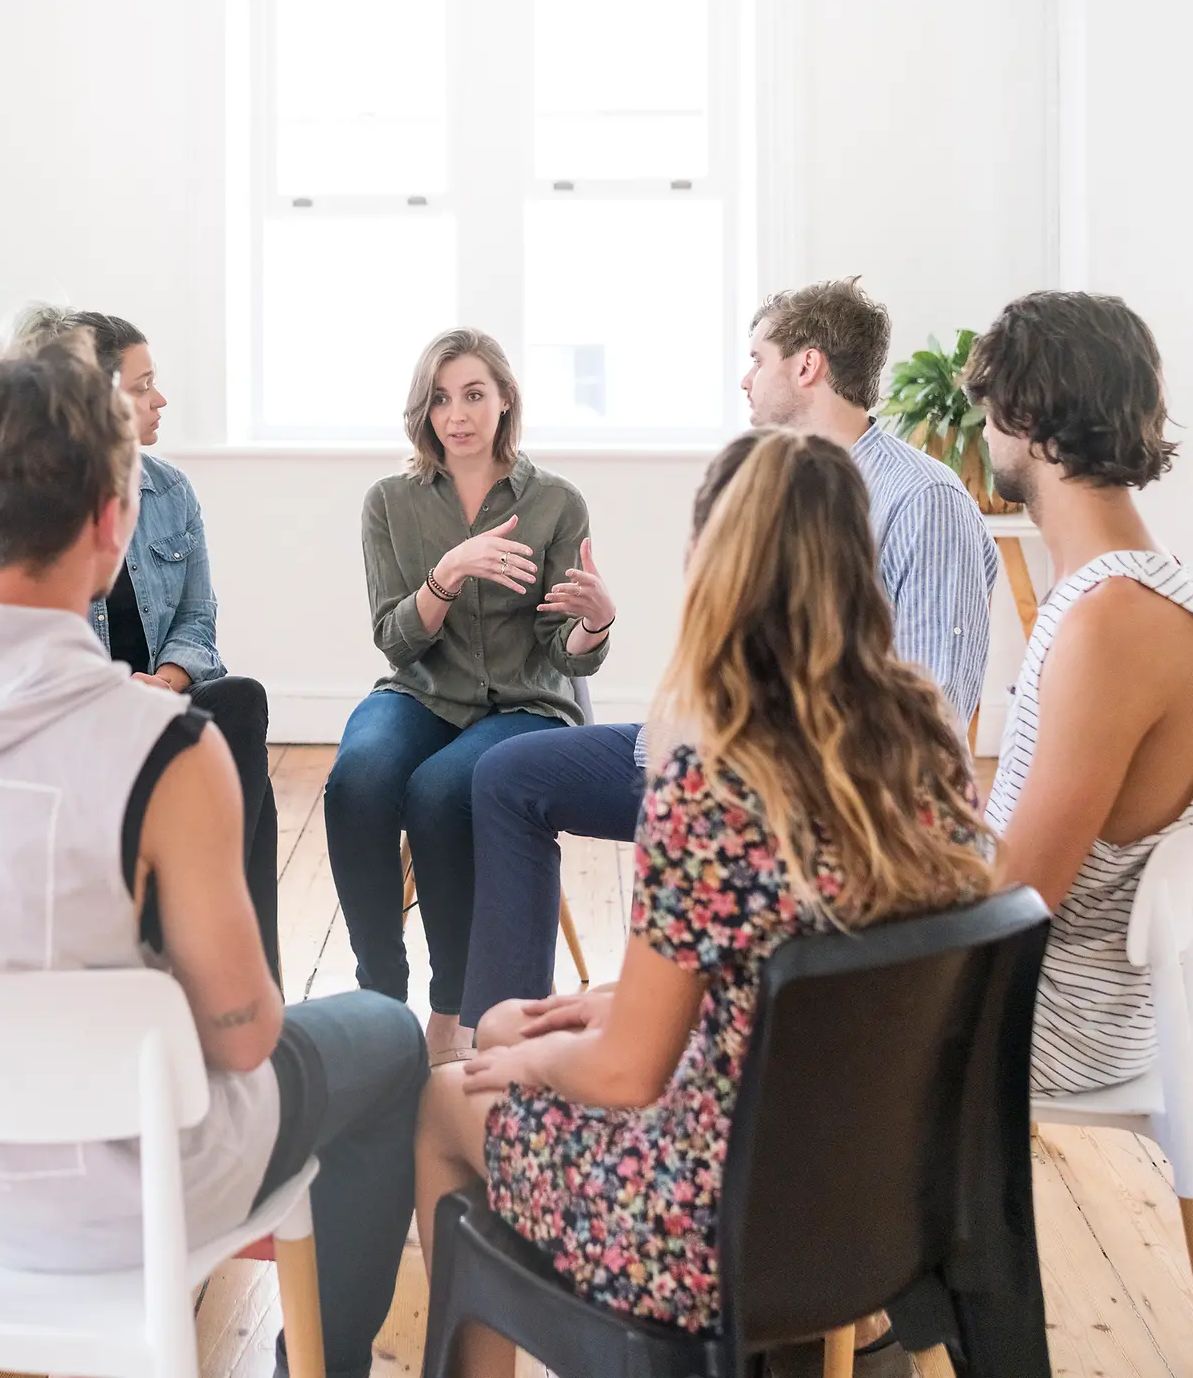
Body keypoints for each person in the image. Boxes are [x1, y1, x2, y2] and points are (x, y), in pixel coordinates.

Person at [0, 336, 427, 1378]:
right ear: (113, 521)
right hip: (122, 1202)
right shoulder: (163, 749)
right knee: (393, 1039)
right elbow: (248, 1036)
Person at [415, 429, 991, 1377]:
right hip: (882, 1199)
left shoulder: (714, 782)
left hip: (708, 1230)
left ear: (712, 565)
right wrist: (580, 1015)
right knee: (520, 1022)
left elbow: (625, 1077)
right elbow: (800, 961)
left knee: (450, 1095)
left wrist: (547, 1050)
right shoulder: (928, 754)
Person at [460, 278, 998, 1029]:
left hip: (789, 793)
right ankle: (503, 1032)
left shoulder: (923, 501)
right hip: (708, 755)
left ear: (807, 367)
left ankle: (581, 1040)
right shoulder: (768, 482)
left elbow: (931, 715)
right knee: (507, 776)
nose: (745, 376)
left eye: (758, 357)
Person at [326, 328, 614, 1061]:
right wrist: (446, 574)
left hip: (523, 702)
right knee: (356, 779)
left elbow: (563, 654)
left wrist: (594, 623)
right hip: (421, 689)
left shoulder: (554, 503)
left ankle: (448, 1012)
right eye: (442, 398)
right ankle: (377, 996)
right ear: (423, 411)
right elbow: (396, 640)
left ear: (505, 399)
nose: (457, 414)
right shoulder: (390, 503)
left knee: (440, 791)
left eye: (475, 394)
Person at [0, 303, 282, 984]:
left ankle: (238, 961)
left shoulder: (170, 491)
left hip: (159, 701)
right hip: (73, 717)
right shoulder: (30, 507)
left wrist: (164, 683)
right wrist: (114, 695)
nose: (160, 399)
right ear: (95, 403)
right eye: (142, 386)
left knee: (238, 701)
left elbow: (199, 622)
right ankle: (211, 958)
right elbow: (12, 641)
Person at [970, 291, 1192, 1096]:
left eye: (992, 410)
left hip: (1045, 1016)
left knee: (754, 979)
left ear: (1033, 419)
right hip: (1053, 996)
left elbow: (1019, 897)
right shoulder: (1124, 591)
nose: (985, 431)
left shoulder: (1113, 620)